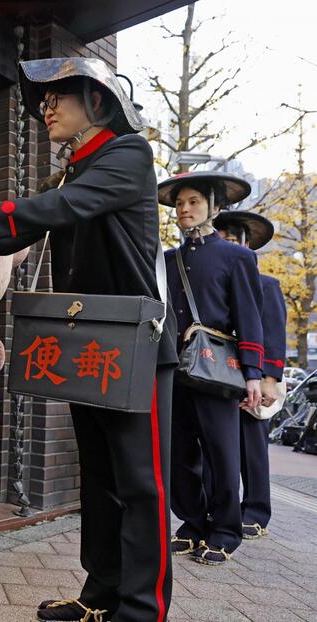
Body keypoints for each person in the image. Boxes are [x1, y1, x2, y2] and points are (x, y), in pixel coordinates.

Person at [0, 57, 177, 622]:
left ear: (97, 101)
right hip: (91, 338)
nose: (46, 107)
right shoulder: (76, 168)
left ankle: (142, 609)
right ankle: (100, 595)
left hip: (135, 343)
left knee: (141, 483)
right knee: (98, 478)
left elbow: (56, 209)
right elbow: (27, 226)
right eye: (43, 99)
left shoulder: (128, 155)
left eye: (59, 95)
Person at [157, 171, 264, 567]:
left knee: (221, 454)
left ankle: (224, 531)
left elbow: (249, 316)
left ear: (214, 208)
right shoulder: (167, 260)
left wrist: (254, 373)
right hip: (174, 368)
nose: (184, 209)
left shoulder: (238, 257)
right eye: (180, 203)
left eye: (194, 202)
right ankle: (192, 524)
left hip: (218, 369)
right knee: (180, 454)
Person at [213, 209, 286, 540]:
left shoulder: (266, 284)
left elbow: (272, 332)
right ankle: (219, 509)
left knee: (252, 447)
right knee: (217, 447)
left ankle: (256, 511)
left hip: (253, 375)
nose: (226, 245)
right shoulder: (213, 283)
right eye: (222, 239)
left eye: (232, 240)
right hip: (218, 374)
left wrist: (269, 377)